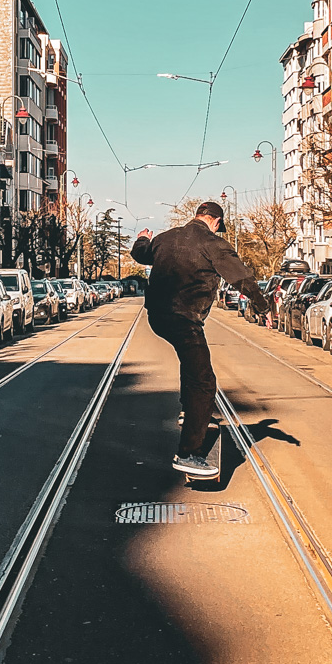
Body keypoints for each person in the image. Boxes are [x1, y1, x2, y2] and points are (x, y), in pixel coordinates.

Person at [131, 200, 269, 478]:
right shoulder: (213, 244)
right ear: (216, 222)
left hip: (157, 316)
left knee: (191, 364)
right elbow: (241, 277)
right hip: (184, 319)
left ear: (197, 216)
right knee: (204, 382)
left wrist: (141, 240)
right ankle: (188, 453)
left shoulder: (165, 238)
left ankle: (188, 410)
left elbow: (142, 255)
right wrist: (263, 307)